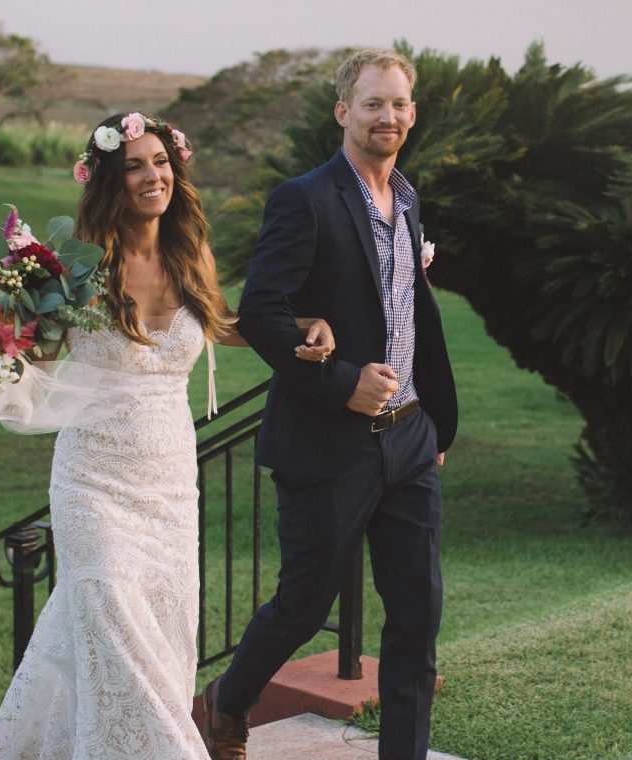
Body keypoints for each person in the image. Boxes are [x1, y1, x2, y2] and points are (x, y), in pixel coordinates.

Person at [0, 113, 335, 759]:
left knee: (160, 636)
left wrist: (303, 326)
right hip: (93, 479)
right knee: (112, 619)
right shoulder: (73, 266)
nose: (152, 176)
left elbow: (220, 324)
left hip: (169, 480)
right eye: (135, 165)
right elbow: (35, 350)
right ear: (109, 179)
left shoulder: (189, 252)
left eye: (161, 162)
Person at [198, 48, 458, 760]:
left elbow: (403, 310)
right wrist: (344, 382)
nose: (387, 116)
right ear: (344, 112)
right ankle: (228, 699)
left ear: (412, 114)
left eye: (398, 104)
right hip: (328, 443)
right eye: (373, 103)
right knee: (304, 603)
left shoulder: (407, 200)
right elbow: (261, 313)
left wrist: (432, 423)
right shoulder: (305, 199)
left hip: (409, 438)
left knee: (417, 618)